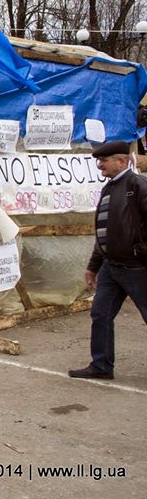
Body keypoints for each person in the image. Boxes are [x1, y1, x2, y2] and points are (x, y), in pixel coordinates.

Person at [69, 141, 147, 380]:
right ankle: (101, 365)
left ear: (121, 161)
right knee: (100, 314)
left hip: (137, 268)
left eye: (104, 160)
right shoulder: (109, 188)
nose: (100, 165)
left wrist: (141, 252)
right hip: (110, 268)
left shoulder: (137, 185)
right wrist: (94, 266)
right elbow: (104, 231)